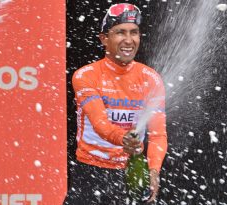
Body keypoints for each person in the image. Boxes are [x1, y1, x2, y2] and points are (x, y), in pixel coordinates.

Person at [64, 3, 168, 205]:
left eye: (134, 33)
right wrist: (124, 139)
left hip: (130, 174)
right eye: (120, 32)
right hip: (89, 174)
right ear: (104, 39)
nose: (129, 40)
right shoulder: (86, 76)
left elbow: (158, 135)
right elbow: (100, 124)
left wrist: (154, 170)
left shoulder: (151, 79)